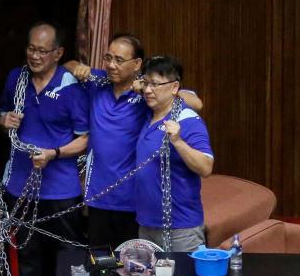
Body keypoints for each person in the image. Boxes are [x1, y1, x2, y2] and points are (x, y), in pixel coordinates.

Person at [65, 34, 203, 249]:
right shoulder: (99, 83)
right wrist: (76, 66)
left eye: (119, 60)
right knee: (100, 268)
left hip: (133, 202)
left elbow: (196, 103)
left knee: (132, 270)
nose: (112, 65)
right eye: (108, 58)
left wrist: (147, 87)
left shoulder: (148, 95)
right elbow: (68, 64)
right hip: (98, 197)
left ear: (137, 63)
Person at [0, 20, 89, 276]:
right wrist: (5, 120)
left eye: (42, 51)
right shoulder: (16, 78)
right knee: (27, 256)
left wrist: (54, 154)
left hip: (61, 189)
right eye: (31, 49)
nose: (35, 56)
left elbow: (85, 138)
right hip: (20, 186)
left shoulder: (71, 87)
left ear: (58, 53)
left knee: (71, 257)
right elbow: (2, 114)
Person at [134, 56, 214, 252]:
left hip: (181, 228)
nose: (148, 90)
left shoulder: (188, 119)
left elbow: (206, 167)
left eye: (155, 84)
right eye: (146, 83)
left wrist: (178, 142)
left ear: (174, 87)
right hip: (146, 224)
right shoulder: (147, 113)